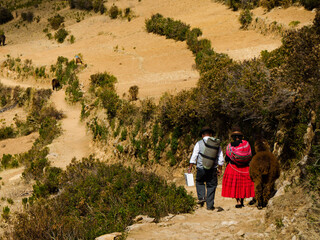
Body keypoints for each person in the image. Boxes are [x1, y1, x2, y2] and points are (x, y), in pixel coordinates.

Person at [188, 126, 224, 210]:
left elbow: (194, 156)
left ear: (202, 135)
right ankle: (210, 206)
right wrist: (220, 168)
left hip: (201, 168)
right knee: (211, 186)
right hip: (212, 168)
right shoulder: (216, 144)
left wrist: (190, 167)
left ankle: (201, 197)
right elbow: (220, 157)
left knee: (199, 182)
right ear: (211, 134)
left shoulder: (199, 143)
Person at [221, 126, 255, 208]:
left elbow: (227, 158)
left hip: (234, 167)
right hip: (245, 168)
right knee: (243, 184)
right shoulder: (246, 144)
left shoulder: (230, 146)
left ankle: (238, 201)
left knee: (235, 185)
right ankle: (242, 199)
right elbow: (250, 155)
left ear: (232, 137)